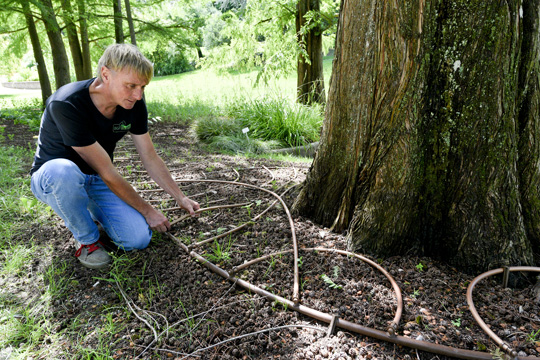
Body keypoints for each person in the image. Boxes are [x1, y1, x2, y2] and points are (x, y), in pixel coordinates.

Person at [30, 43, 200, 269]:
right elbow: (109, 172)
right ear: (105, 74)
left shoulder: (133, 103)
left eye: (142, 87)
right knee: (64, 171)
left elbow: (149, 156)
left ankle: (88, 209)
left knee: (137, 239)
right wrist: (148, 211)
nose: (138, 95)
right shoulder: (67, 103)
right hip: (53, 179)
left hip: (95, 178)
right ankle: (87, 241)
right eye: (130, 86)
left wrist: (180, 197)